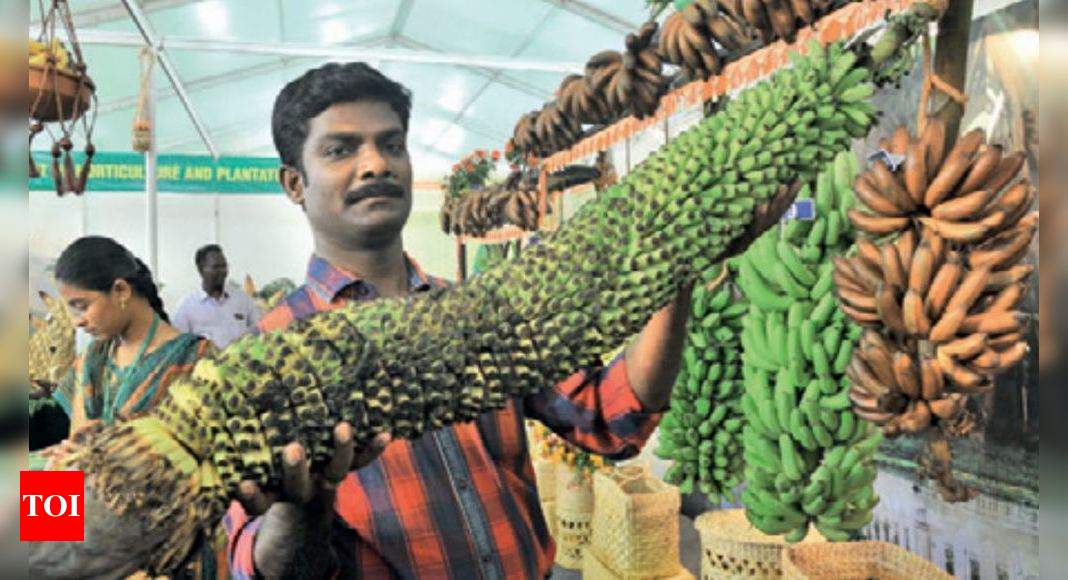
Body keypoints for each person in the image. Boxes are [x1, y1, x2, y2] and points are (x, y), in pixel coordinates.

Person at [223, 62, 791, 579]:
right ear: (294, 184)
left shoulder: (484, 314)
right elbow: (253, 563)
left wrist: (679, 265)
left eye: (390, 144)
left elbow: (610, 418)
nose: (376, 163)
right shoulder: (265, 361)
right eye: (341, 150)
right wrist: (299, 513)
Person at [43, 236, 220, 579]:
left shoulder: (197, 362)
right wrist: (46, 540)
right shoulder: (93, 360)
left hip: (167, 546)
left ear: (121, 291)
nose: (76, 321)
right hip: (94, 537)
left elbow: (208, 479)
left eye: (81, 305)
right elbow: (74, 453)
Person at [172, 244, 261, 349]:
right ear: (201, 269)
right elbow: (178, 347)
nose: (222, 271)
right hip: (204, 364)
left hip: (241, 363)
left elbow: (259, 331)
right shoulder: (186, 307)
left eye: (224, 266)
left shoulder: (243, 300)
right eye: (215, 267)